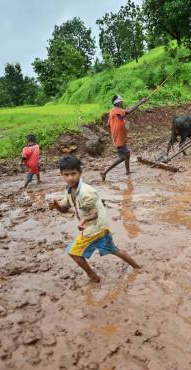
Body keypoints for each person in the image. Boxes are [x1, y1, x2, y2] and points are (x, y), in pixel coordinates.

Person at [49, 155, 141, 283]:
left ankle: (93, 276)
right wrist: (56, 205)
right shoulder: (69, 189)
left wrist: (83, 220)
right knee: (114, 250)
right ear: (61, 174)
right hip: (100, 227)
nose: (70, 178)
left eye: (73, 174)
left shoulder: (86, 192)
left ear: (80, 173)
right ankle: (138, 267)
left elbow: (94, 213)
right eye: (66, 174)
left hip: (94, 228)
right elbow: (65, 208)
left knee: (73, 252)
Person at [101, 94, 147, 182]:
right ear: (117, 103)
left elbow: (108, 124)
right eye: (121, 102)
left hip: (119, 136)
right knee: (122, 157)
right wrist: (141, 102)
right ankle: (104, 172)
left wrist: (120, 120)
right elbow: (129, 111)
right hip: (119, 137)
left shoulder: (113, 111)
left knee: (127, 154)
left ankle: (127, 171)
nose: (122, 104)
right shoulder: (116, 110)